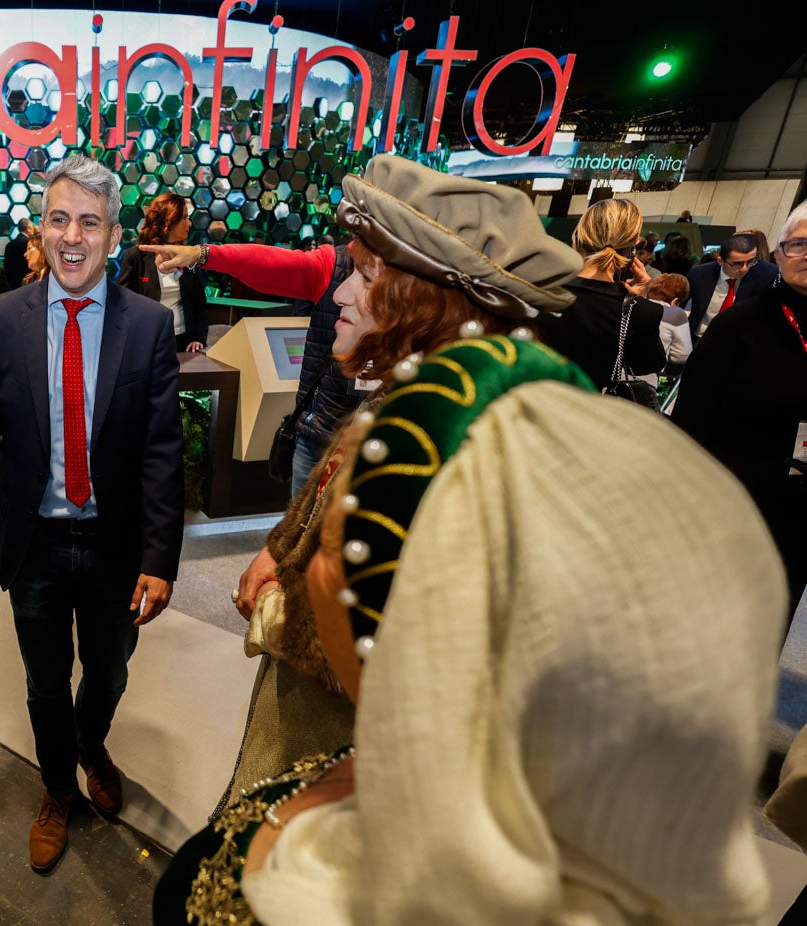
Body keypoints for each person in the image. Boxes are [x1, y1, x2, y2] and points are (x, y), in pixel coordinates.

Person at [153, 159, 786, 926]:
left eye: (362, 275)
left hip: (346, 734)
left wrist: (305, 602)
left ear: (431, 302)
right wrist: (285, 552)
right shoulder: (416, 406)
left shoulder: (442, 450)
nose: (340, 296)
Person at [0, 153, 184, 875]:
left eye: (89, 221)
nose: (73, 235)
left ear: (113, 236)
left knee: (108, 674)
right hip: (37, 543)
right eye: (59, 219)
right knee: (43, 681)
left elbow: (160, 453)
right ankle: (56, 789)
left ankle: (90, 742)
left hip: (114, 545)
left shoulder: (147, 325)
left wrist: (157, 559)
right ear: (40, 231)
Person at [673, 203, 807, 621]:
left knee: (772, 622)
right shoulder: (738, 326)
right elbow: (689, 427)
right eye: (800, 244)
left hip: (801, 516)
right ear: (780, 254)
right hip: (737, 507)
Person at [139, 237, 357, 494]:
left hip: (384, 440)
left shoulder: (414, 277)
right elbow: (269, 262)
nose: (343, 295)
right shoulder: (336, 264)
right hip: (320, 436)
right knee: (303, 529)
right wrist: (202, 254)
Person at [533, 198, 665, 390]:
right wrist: (640, 300)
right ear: (633, 245)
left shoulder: (535, 289)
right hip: (587, 413)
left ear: (578, 235)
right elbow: (647, 365)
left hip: (523, 406)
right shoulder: (641, 312)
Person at [117, 192, 209, 352]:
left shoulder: (189, 256)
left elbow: (199, 303)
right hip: (146, 343)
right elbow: (122, 305)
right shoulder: (135, 257)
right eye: (184, 218)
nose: (190, 223)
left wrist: (198, 338)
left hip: (183, 343)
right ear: (169, 222)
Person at [687, 232, 780, 338]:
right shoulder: (699, 274)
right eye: (737, 263)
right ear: (720, 261)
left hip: (740, 342)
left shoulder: (767, 274)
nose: (744, 268)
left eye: (750, 261)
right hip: (700, 338)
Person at [641, 271, 693, 384]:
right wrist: (666, 372)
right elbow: (681, 356)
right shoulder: (676, 314)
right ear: (675, 301)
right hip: (646, 379)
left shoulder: (634, 304)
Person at [4, 217, 37, 289]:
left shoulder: (9, 244)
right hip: (27, 284)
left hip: (12, 284)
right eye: (32, 228)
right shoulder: (29, 243)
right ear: (28, 228)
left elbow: (6, 266)